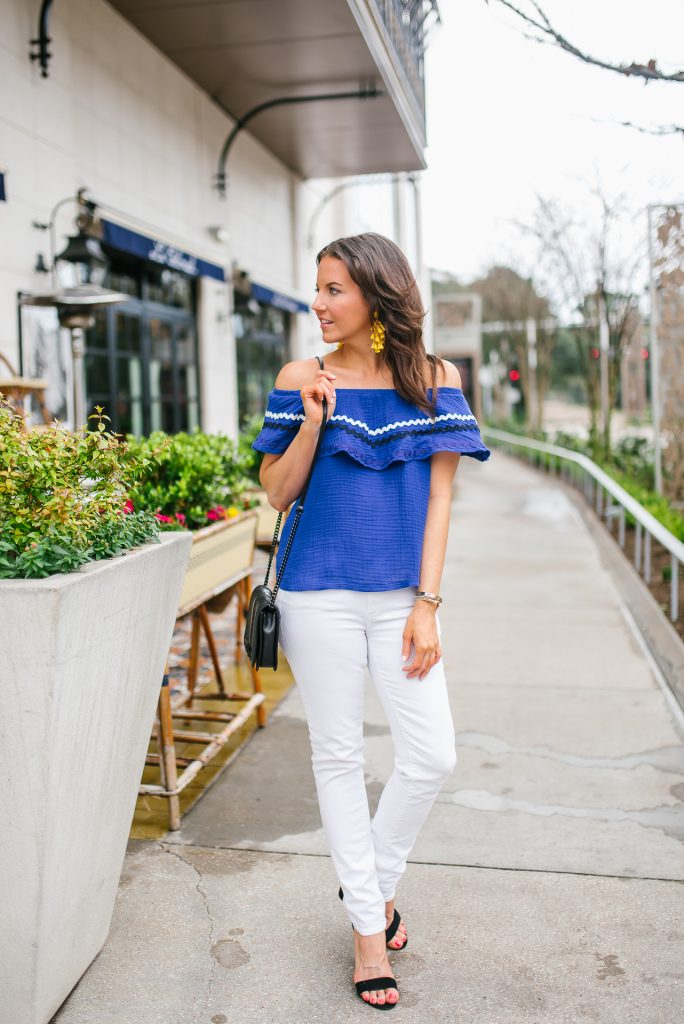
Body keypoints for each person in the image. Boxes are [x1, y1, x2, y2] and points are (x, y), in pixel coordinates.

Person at [251, 232, 490, 1009]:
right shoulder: (301, 377)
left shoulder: (433, 380)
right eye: (315, 289)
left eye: (333, 290)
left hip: (400, 599)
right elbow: (277, 494)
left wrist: (427, 605)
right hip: (317, 595)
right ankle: (366, 931)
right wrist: (314, 423)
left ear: (376, 295)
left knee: (432, 756)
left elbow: (443, 498)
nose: (317, 304)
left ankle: (370, 890)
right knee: (338, 756)